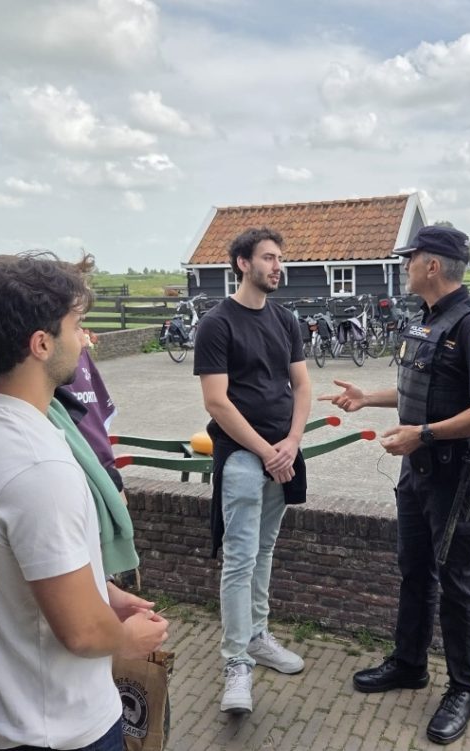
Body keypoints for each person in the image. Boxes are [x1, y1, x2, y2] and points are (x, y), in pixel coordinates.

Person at [0, 252, 168, 750]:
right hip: (55, 727)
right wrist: (129, 638)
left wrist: (103, 593)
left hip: (0, 708)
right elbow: (83, 634)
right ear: (41, 344)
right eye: (78, 324)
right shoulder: (39, 468)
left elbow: (19, 562)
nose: (85, 339)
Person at [321, 225, 470, 746]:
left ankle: (463, 690)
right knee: (413, 572)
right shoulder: (427, 322)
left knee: (459, 584)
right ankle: (409, 664)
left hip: (456, 476)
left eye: (410, 260)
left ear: (433, 266)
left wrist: (423, 435)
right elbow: (420, 391)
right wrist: (368, 398)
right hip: (418, 474)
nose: (404, 267)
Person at [193, 227, 312, 716]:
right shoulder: (217, 324)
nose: (277, 265)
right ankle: (236, 663)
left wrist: (292, 442)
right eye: (268, 257)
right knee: (240, 560)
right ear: (242, 263)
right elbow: (216, 401)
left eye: (279, 258)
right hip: (243, 458)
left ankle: (258, 637)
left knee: (264, 552)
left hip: (282, 454)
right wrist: (266, 450)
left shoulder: (286, 320)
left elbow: (302, 388)